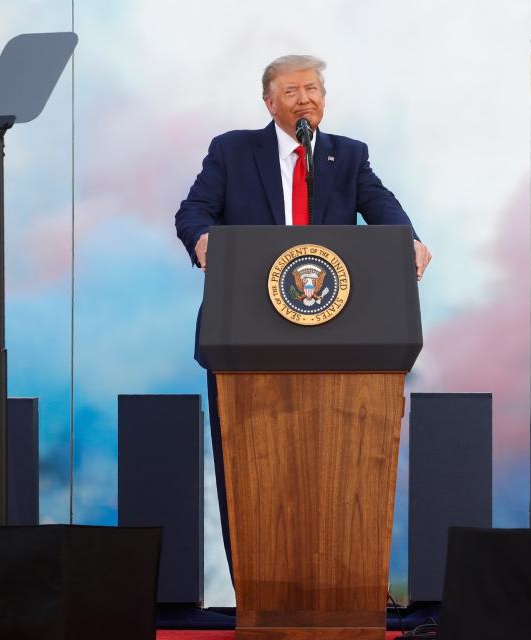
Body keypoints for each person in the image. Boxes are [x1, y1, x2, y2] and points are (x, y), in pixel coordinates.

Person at [174, 54, 431, 576]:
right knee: (254, 473)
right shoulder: (232, 151)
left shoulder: (348, 157)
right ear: (269, 103)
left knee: (333, 473)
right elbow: (193, 210)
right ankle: (259, 587)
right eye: (291, 91)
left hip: (336, 338)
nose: (305, 99)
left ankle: (342, 589)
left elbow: (382, 207)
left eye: (313, 89)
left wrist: (412, 242)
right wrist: (202, 240)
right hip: (245, 335)